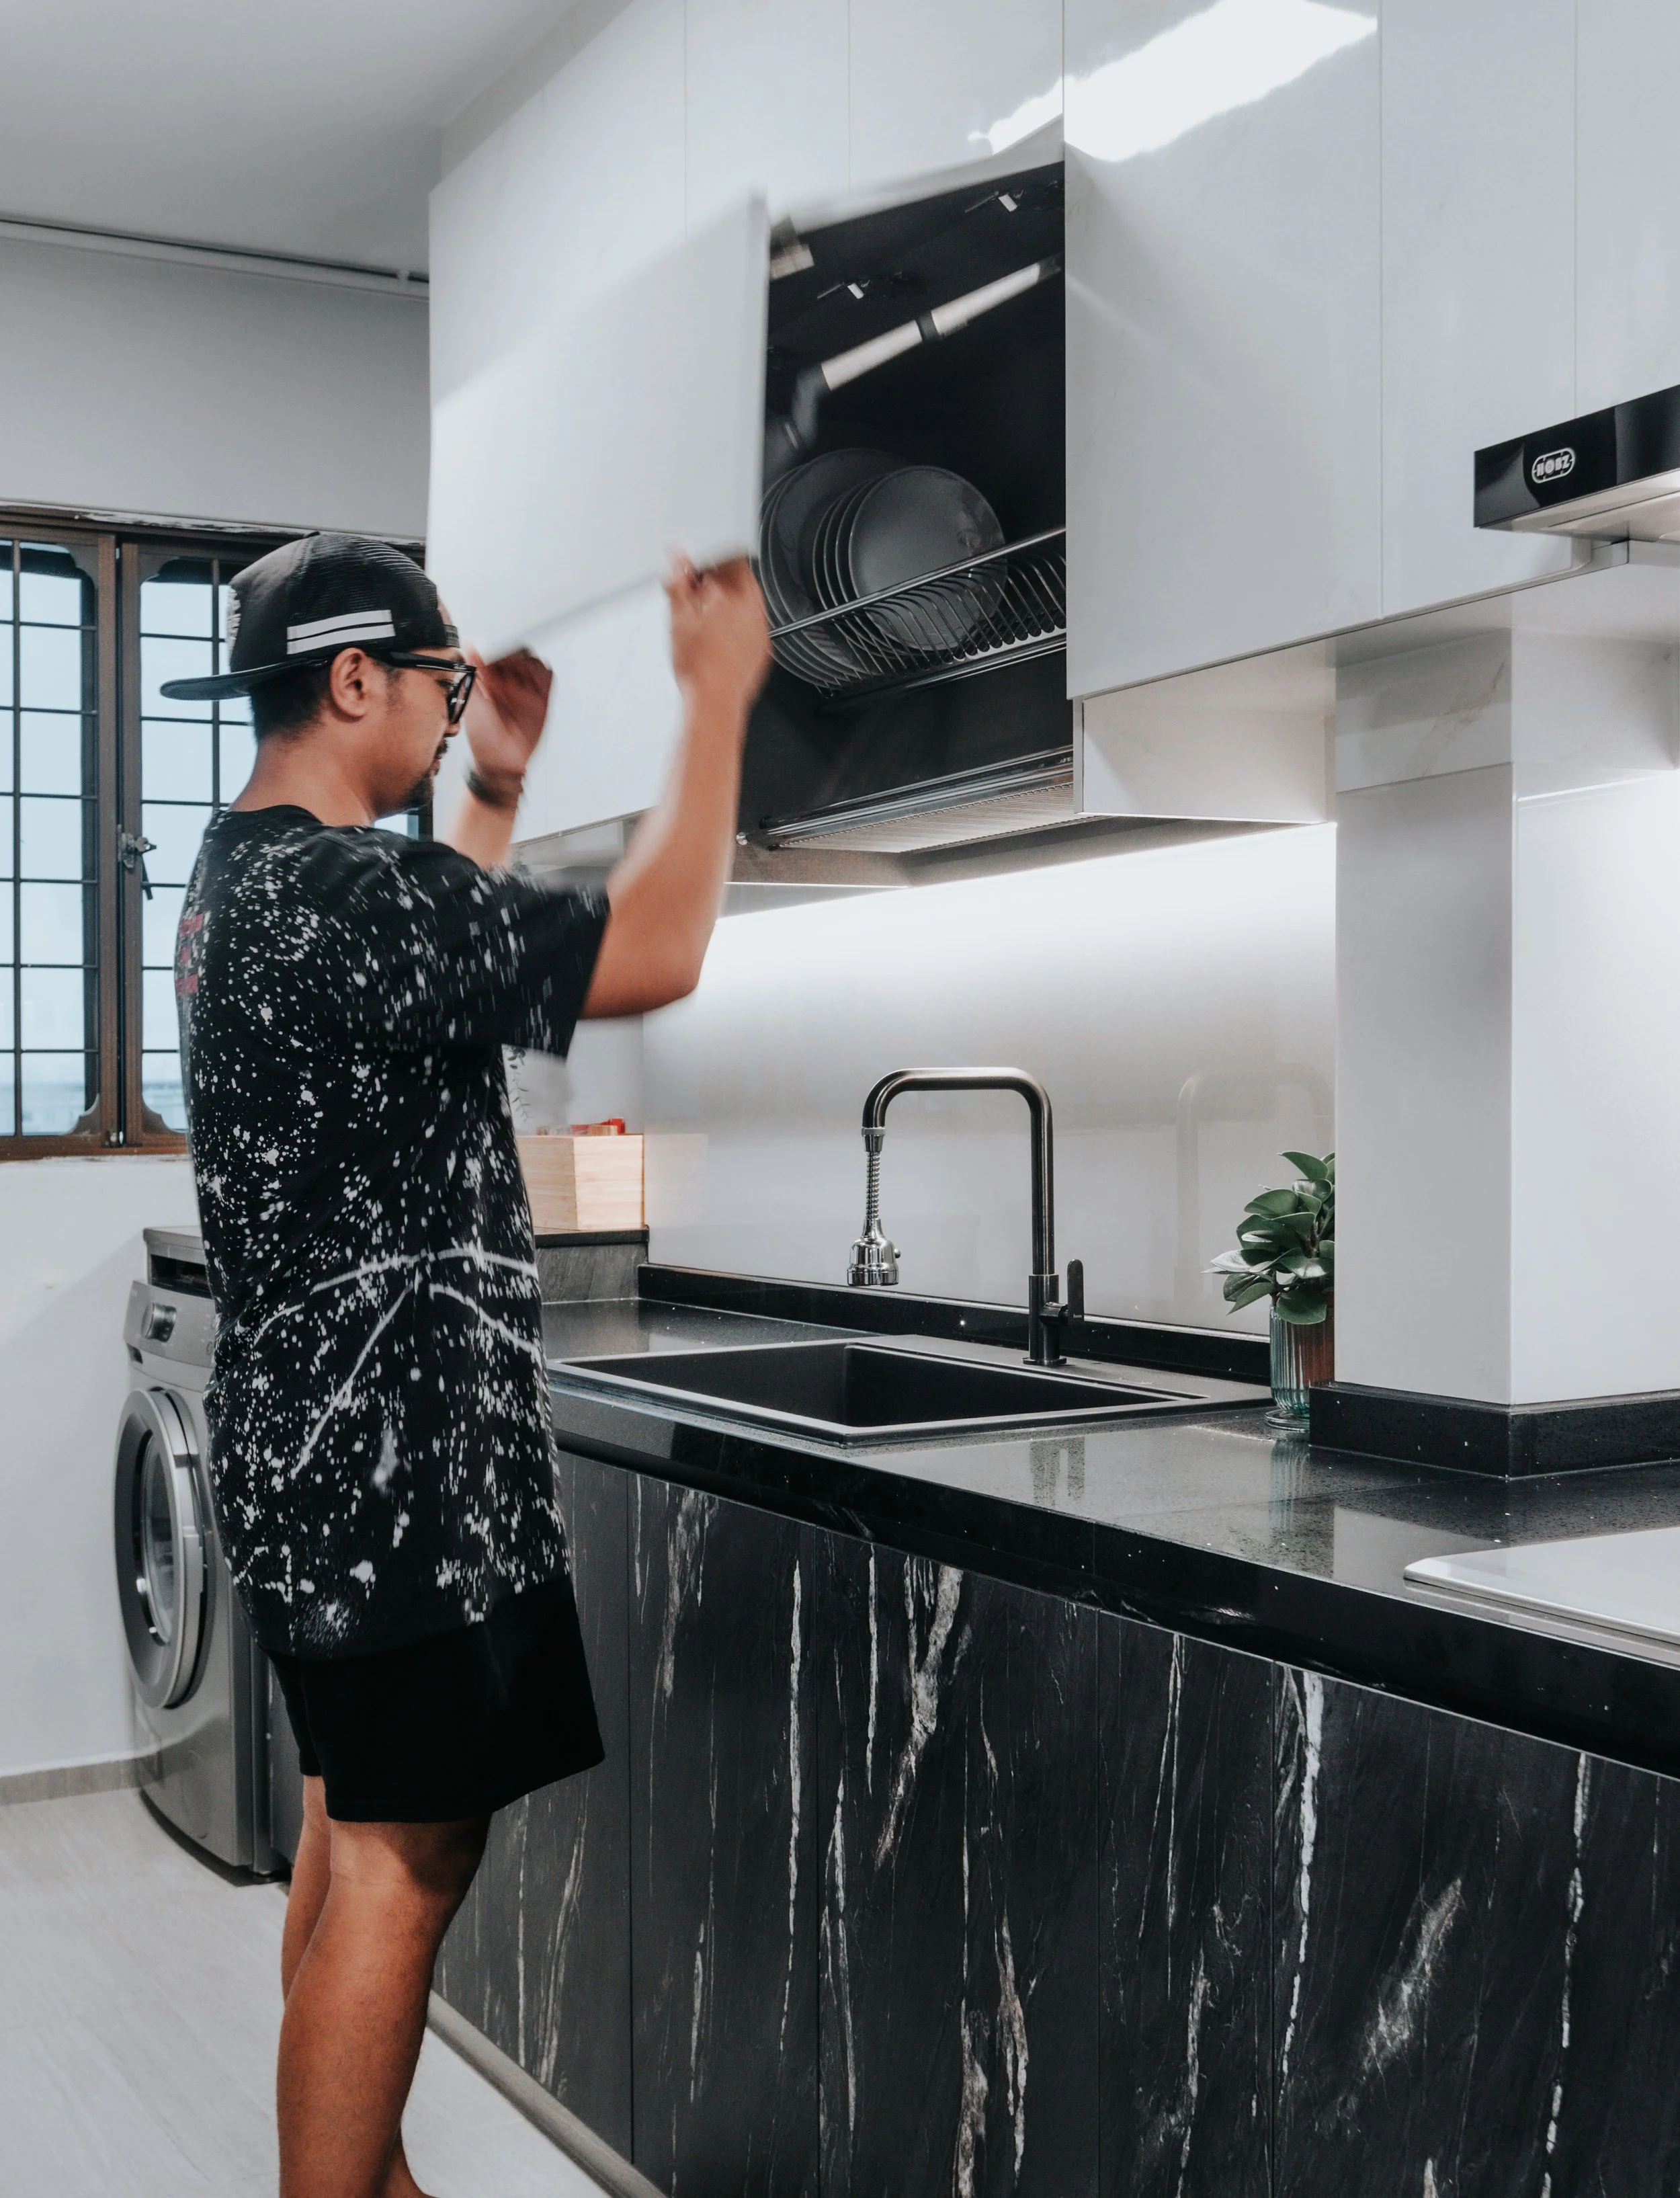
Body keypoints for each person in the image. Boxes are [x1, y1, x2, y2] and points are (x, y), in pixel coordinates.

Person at [163, 530, 769, 2198]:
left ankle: (369, 2175)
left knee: (351, 1829)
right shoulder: (361, 890)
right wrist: (715, 702)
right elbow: (656, 949)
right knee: (405, 1862)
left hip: (309, 1459)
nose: (447, 709)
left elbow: (439, 963)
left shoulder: (247, 879)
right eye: (435, 685)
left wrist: (489, 791)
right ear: (353, 678)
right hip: (397, 1474)